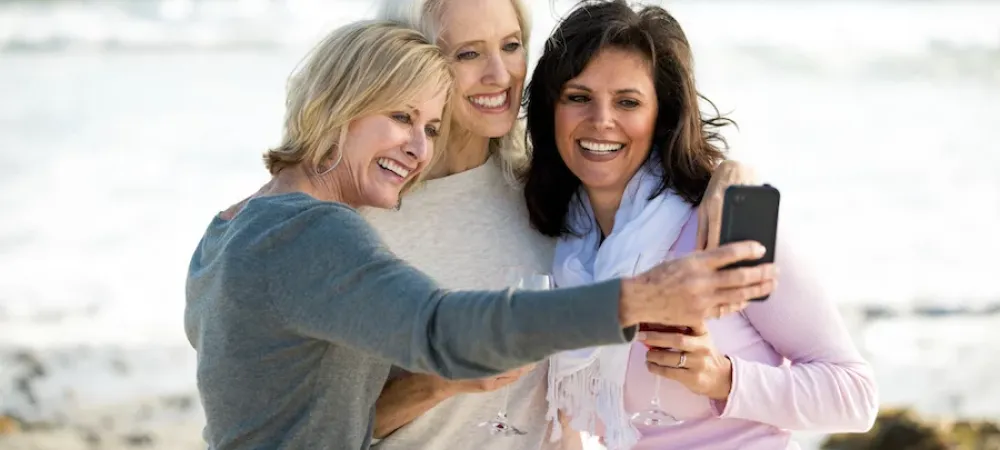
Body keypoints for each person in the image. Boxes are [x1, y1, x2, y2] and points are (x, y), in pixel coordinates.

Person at [184, 18, 777, 450]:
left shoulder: (232, 227)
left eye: (431, 126)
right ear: (340, 107)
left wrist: (726, 173)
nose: (418, 147)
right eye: (399, 117)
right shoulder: (309, 233)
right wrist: (642, 298)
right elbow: (442, 329)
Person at [365, 1, 760, 449]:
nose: (500, 74)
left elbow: (641, 152)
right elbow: (315, 425)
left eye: (511, 46)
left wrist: (729, 174)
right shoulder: (369, 215)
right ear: (414, 62)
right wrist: (439, 380)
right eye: (468, 53)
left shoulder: (545, 190)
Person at [524, 2, 880, 449]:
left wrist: (722, 377)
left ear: (662, 116)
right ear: (550, 108)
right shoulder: (559, 243)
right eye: (578, 97)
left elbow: (854, 395)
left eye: (628, 102)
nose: (601, 121)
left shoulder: (721, 223)